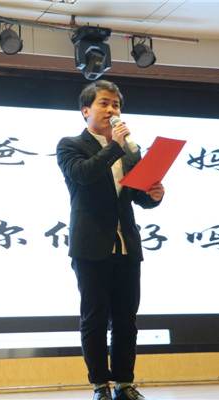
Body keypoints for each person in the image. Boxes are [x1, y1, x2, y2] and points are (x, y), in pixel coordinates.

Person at [56, 80, 165, 400]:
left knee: (126, 320)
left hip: (127, 243)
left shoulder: (131, 149)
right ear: (85, 110)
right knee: (94, 319)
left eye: (116, 105)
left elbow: (137, 197)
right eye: (104, 103)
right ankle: (100, 386)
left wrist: (154, 195)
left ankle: (124, 384)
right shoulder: (71, 145)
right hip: (91, 245)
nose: (111, 110)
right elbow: (84, 175)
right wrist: (114, 146)